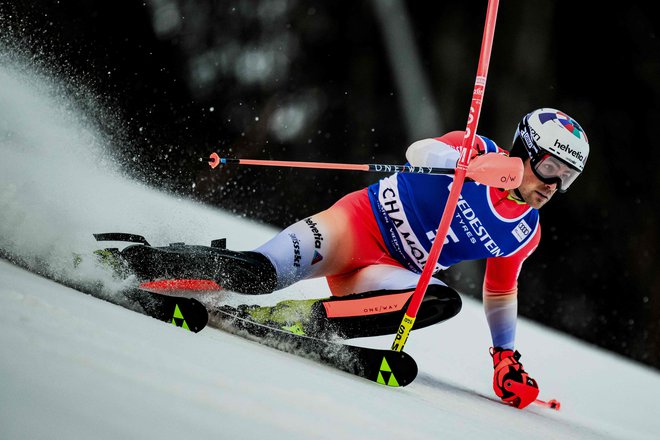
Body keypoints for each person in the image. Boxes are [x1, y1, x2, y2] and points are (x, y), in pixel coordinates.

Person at [120, 107, 589, 408]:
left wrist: (504, 357)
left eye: (566, 178)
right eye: (549, 168)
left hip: (386, 273)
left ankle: (292, 318)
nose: (552, 185)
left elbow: (502, 288)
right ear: (525, 150)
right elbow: (418, 151)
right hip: (355, 227)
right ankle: (140, 262)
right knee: (256, 272)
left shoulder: (524, 232)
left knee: (441, 301)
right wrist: (474, 169)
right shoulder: (478, 149)